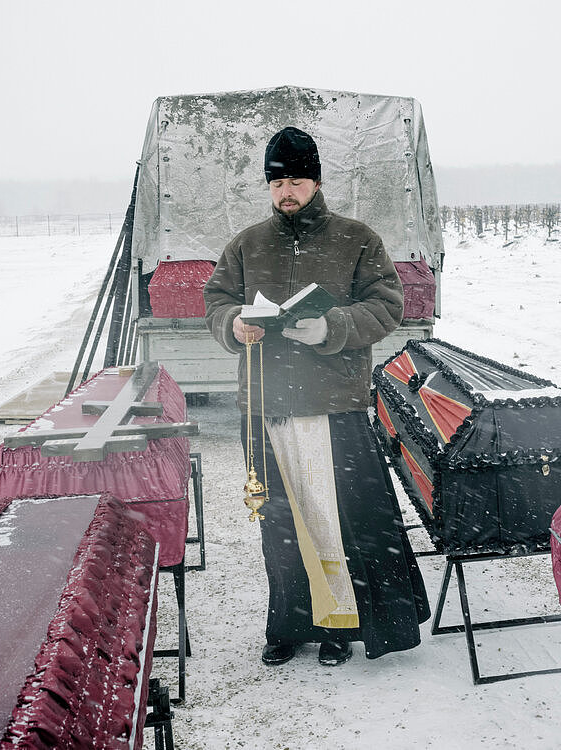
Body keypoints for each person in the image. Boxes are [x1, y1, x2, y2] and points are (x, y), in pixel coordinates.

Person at [203, 126, 430, 667]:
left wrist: (333, 326)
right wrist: (233, 324)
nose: (288, 191)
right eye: (278, 181)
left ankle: (340, 625)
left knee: (333, 519)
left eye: (298, 180)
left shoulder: (357, 239)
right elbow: (217, 301)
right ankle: (288, 623)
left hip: (335, 405)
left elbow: (386, 306)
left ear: (317, 181)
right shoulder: (247, 244)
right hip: (265, 404)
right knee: (280, 524)